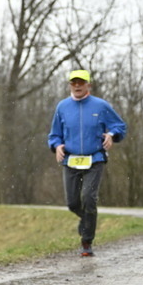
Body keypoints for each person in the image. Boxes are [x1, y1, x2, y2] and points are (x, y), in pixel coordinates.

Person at [47, 69, 127, 257]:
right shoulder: (62, 107)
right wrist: (57, 145)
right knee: (73, 202)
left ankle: (86, 241)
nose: (77, 86)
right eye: (73, 83)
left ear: (88, 85)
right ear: (69, 85)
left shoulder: (101, 106)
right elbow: (54, 135)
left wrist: (111, 135)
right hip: (70, 159)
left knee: (89, 198)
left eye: (81, 83)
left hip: (95, 158)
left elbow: (119, 126)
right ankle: (87, 220)